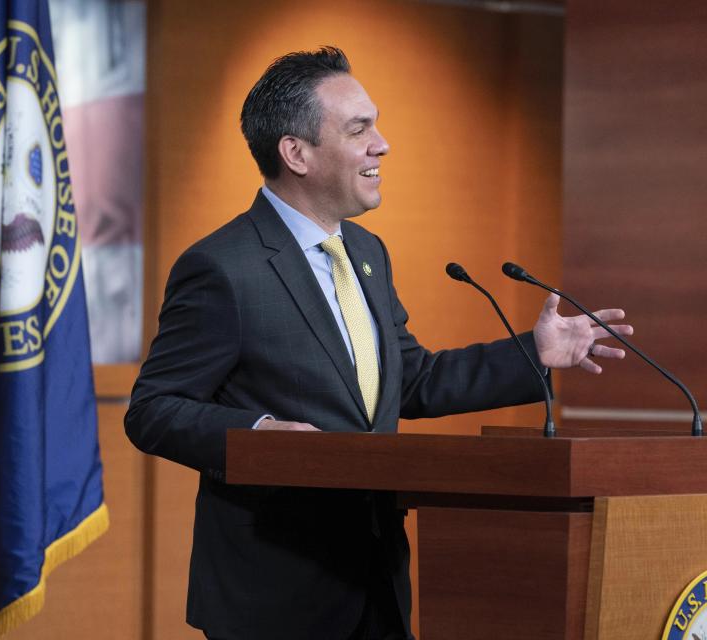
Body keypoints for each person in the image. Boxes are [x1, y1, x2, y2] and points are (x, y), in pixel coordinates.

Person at [124, 46, 631, 640]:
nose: (382, 144)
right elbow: (153, 410)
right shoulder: (221, 267)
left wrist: (533, 354)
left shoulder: (366, 254)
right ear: (297, 153)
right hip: (274, 596)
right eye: (359, 128)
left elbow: (409, 381)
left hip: (377, 584)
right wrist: (259, 435)